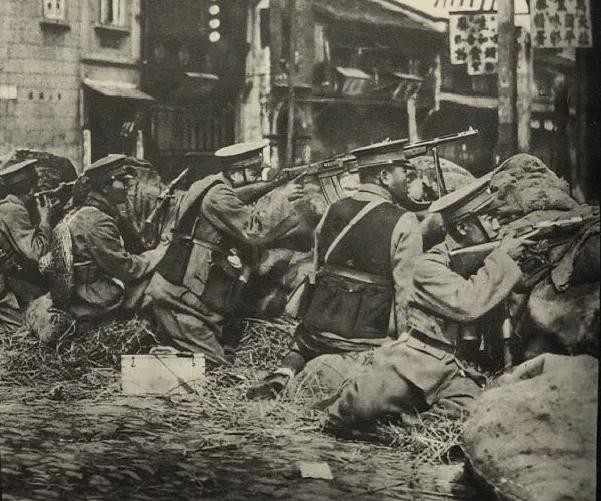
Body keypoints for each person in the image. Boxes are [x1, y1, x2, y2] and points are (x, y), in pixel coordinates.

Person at [321, 173, 532, 431]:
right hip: (417, 361)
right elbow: (467, 303)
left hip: (455, 369)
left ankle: (406, 423)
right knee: (356, 409)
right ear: (463, 227)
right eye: (489, 219)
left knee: (478, 412)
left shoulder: (485, 261)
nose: (497, 226)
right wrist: (503, 259)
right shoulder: (428, 266)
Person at [247, 139, 424, 400]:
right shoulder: (404, 220)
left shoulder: (333, 208)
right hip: (367, 335)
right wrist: (406, 346)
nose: (407, 180)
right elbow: (406, 296)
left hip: (318, 328)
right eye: (403, 173)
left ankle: (284, 372)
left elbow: (317, 267)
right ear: (385, 176)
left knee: (302, 346)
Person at [147, 141, 303, 366]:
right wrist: (282, 197)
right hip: (180, 301)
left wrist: (270, 188)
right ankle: (163, 354)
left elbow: (240, 198)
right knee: (215, 366)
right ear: (235, 172)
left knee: (217, 354)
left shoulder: (207, 184)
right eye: (254, 172)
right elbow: (254, 231)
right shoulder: (219, 196)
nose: (259, 178)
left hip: (178, 292)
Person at [65, 155, 166, 322]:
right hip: (93, 296)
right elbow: (126, 268)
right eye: (122, 181)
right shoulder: (97, 220)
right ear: (105, 187)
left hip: (81, 289)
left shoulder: (84, 212)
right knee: (159, 283)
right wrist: (158, 254)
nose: (127, 187)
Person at [0, 159, 54, 332]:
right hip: (4, 286)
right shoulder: (13, 210)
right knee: (26, 330)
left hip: (9, 278)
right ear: (31, 190)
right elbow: (36, 253)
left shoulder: (9, 207)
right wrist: (46, 220)